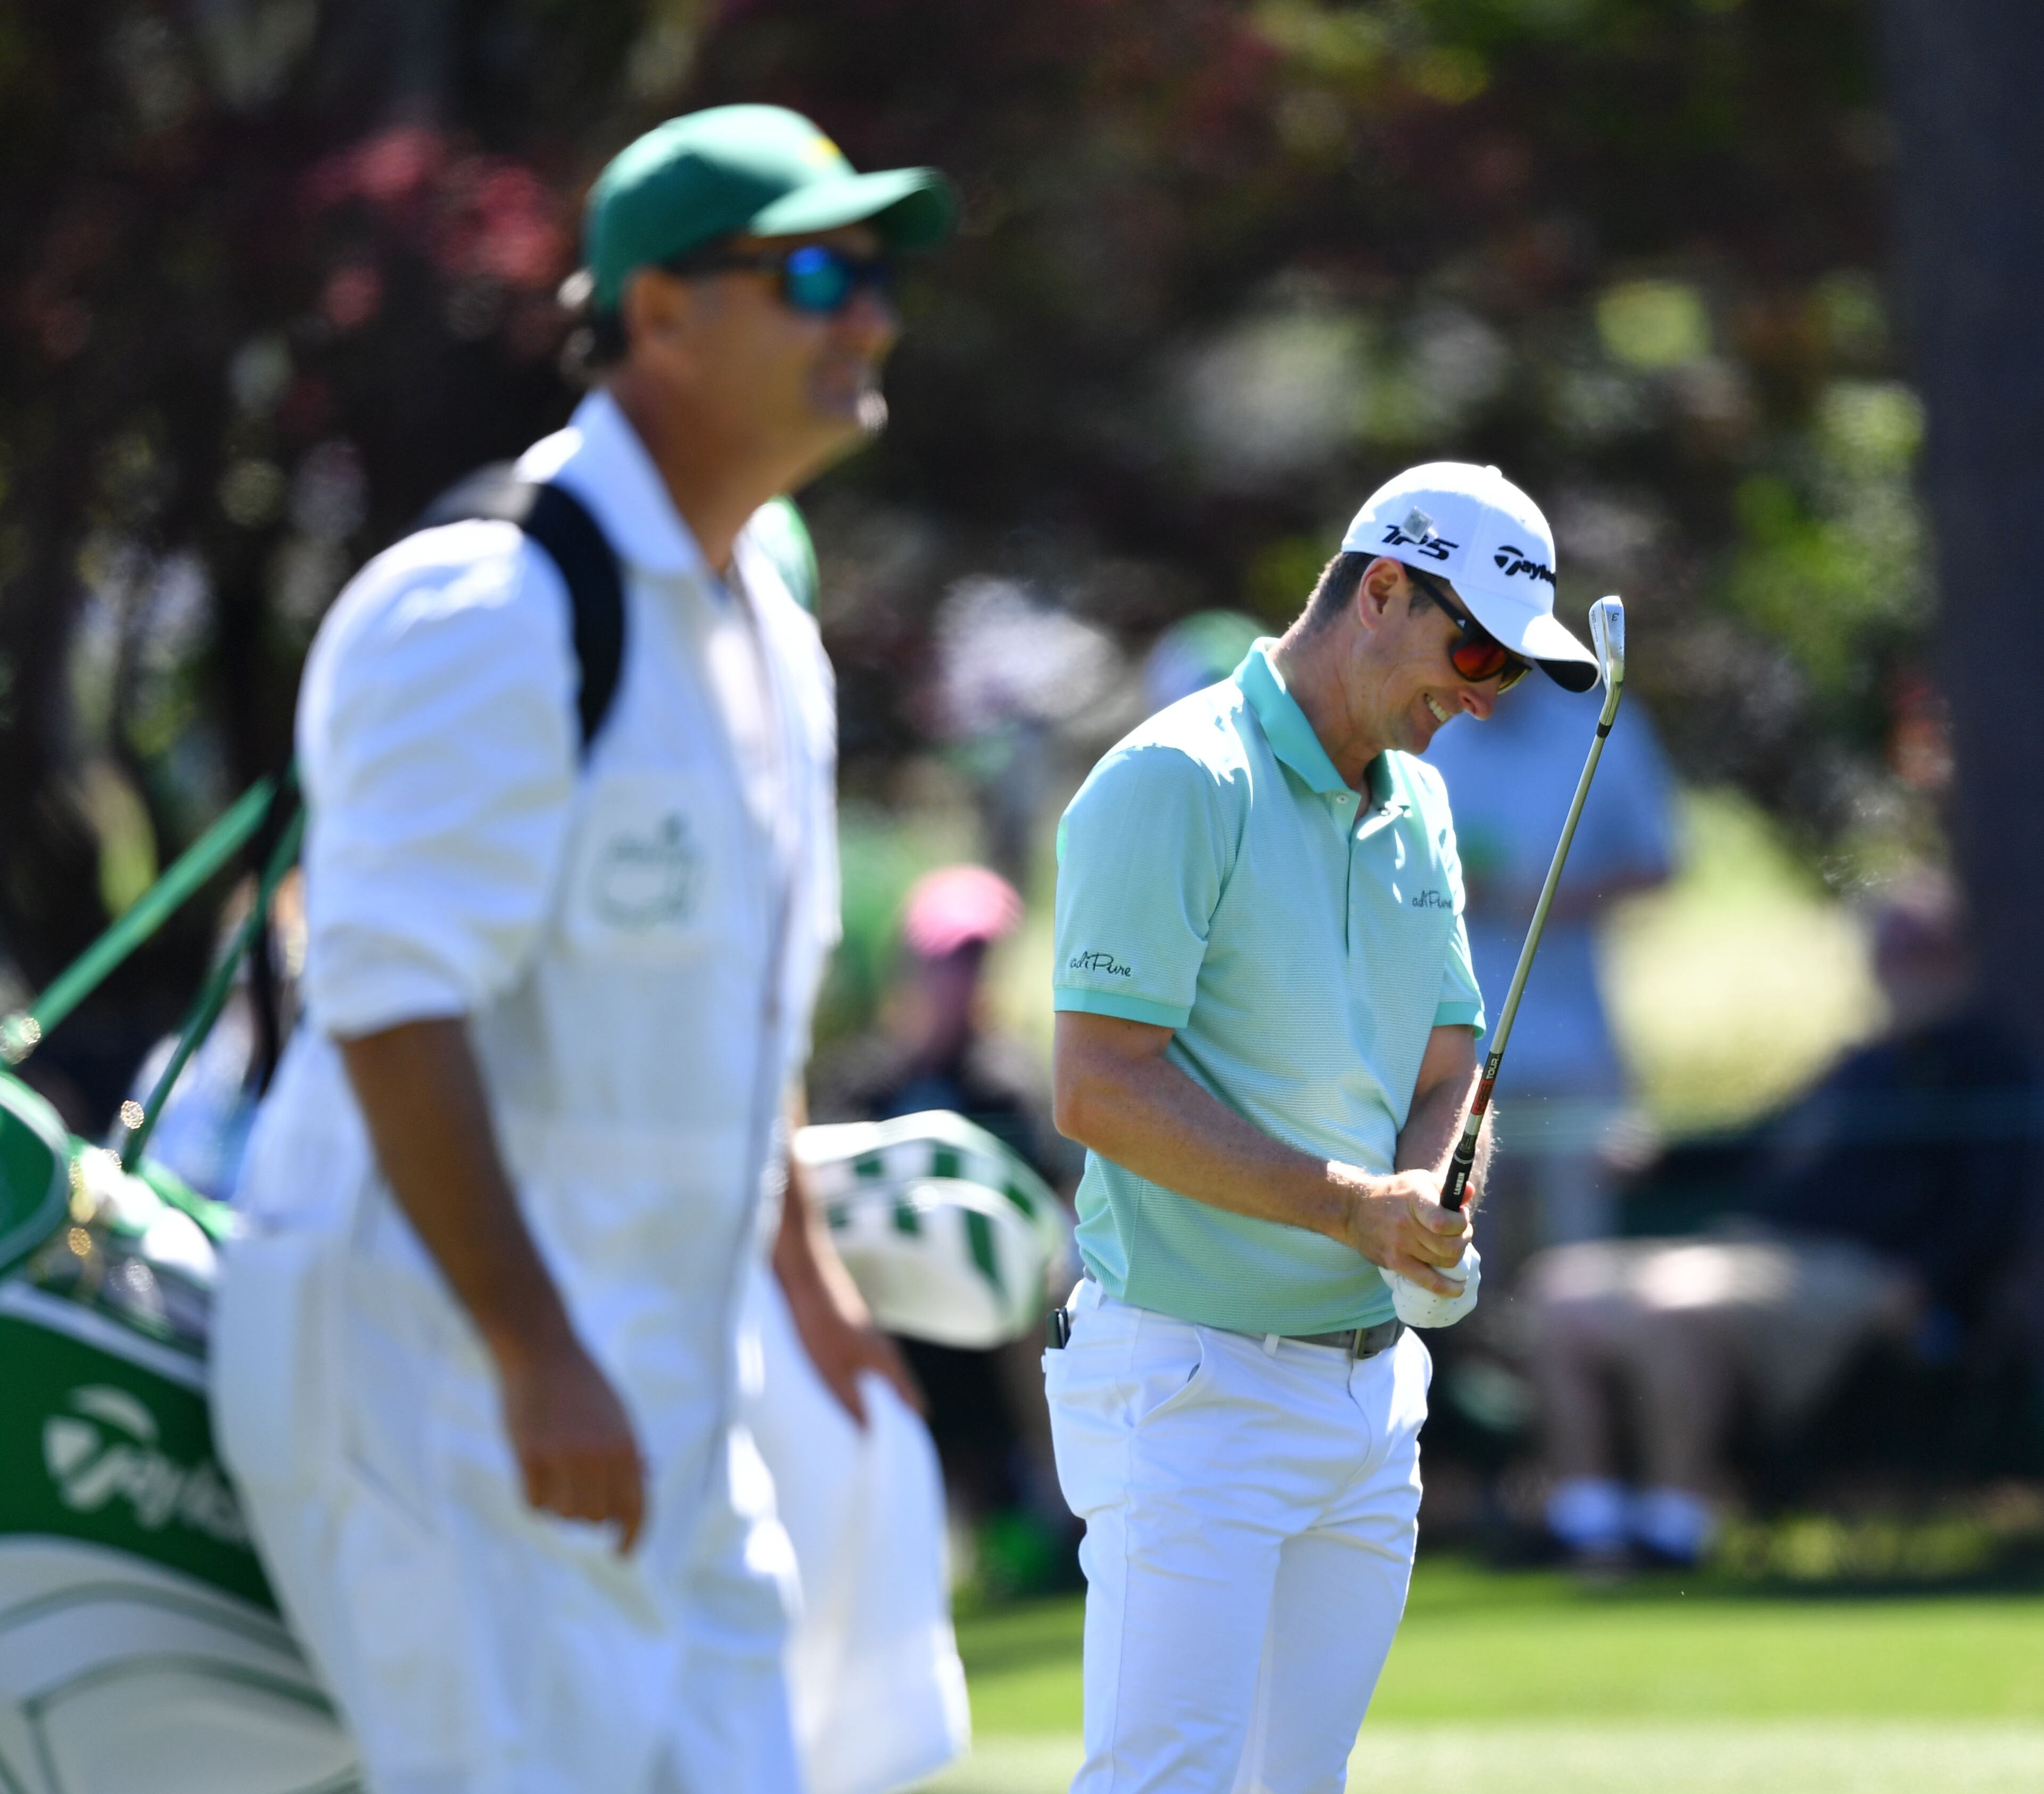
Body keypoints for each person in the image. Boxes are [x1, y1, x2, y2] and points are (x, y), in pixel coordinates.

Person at [210, 104, 953, 1794]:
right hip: (434, 1378)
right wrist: (533, 1350)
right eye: (818, 272)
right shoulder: (483, 608)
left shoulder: (767, 620)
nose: (871, 316)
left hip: (652, 1384)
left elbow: (742, 1017)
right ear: (658, 313)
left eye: (877, 275)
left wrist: (807, 1280)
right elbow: (393, 1008)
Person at [1046, 462, 1601, 1792]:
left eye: (1509, 674)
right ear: (1381, 590)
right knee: (1162, 1780)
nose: (1479, 693)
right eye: (1471, 648)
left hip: (1366, 1392)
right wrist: (1354, 1207)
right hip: (1191, 1382)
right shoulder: (1176, 778)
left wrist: (1425, 1195)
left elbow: (1445, 1062)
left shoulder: (1419, 805)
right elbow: (1099, 1084)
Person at [1524, 873, 2040, 1570]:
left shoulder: (1987, 1066)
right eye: (1892, 945)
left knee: (1671, 1307)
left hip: (1863, 1278)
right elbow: (1762, 1139)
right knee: (1561, 1287)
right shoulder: (1860, 1066)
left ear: (1960, 955)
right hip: (1758, 1254)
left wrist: (1930, 1281)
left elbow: (1993, 1204)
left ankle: (1676, 1529)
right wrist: (1660, 1157)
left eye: (1926, 945)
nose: (1907, 962)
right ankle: (1588, 1524)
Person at [813, 863, 1079, 1575]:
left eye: (976, 962)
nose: (963, 981)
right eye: (949, 961)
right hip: (888, 1312)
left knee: (1045, 1290)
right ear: (912, 969)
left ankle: (1063, 1509)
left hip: (991, 1322)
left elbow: (1059, 1210)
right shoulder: (860, 1082)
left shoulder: (1012, 1083)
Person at [1426, 665, 1674, 1255]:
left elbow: (1658, 862)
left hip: (1573, 1046)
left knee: (1579, 1255)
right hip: (1449, 1049)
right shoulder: (1427, 727)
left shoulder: (1602, 728)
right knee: (1457, 1251)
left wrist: (1559, 898)